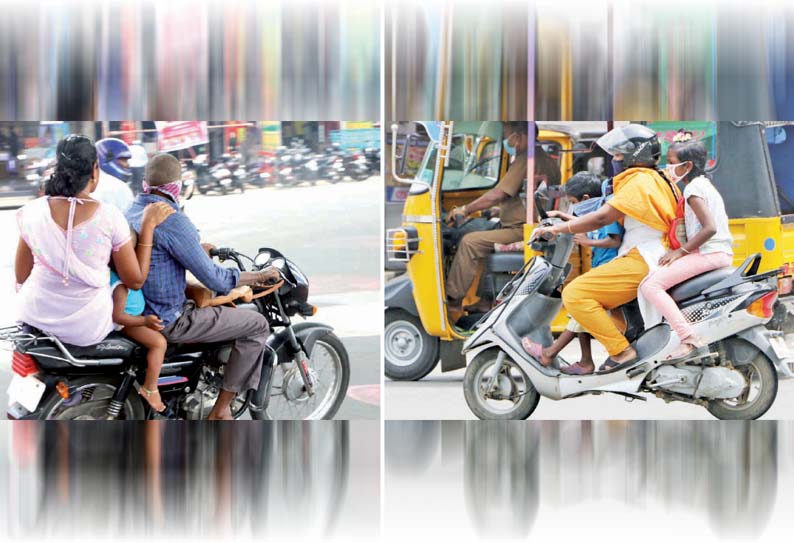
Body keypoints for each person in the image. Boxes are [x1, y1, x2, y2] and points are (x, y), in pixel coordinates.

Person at [125, 153, 279, 420]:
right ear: (178, 186)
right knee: (257, 325)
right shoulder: (172, 218)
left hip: (136, 311)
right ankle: (221, 411)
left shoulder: (131, 211)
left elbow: (161, 260)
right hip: (170, 319)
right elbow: (216, 280)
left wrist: (198, 250)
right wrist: (257, 276)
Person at [534, 124, 678, 372]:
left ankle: (621, 352)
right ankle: (592, 357)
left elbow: (602, 217)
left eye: (619, 155)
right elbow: (598, 209)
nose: (615, 160)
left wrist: (557, 230)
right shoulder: (656, 178)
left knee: (575, 293)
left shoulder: (640, 181)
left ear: (636, 154)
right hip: (648, 253)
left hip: (644, 256)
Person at [15, 134, 173, 347]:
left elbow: (22, 275)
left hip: (34, 315)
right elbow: (135, 281)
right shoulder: (109, 216)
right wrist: (148, 228)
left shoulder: (31, 211)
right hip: (87, 327)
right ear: (94, 170)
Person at [521, 172, 624, 375]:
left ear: (585, 199)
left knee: (579, 308)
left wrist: (589, 242)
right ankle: (585, 361)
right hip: (600, 267)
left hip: (609, 269)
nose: (573, 206)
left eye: (573, 202)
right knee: (579, 310)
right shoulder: (597, 210)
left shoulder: (607, 212)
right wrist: (560, 218)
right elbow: (585, 221)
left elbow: (615, 240)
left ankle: (551, 353)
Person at [639, 140, 733, 360]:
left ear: (688, 165)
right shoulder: (704, 184)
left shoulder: (693, 189)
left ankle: (688, 338)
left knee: (651, 285)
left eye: (672, 163)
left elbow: (709, 228)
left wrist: (680, 252)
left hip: (710, 253)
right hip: (717, 252)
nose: (668, 168)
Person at [444, 122, 533, 318]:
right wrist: (494, 211)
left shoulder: (526, 160)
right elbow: (519, 199)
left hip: (522, 230)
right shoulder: (531, 159)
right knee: (481, 234)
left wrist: (466, 209)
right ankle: (486, 300)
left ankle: (453, 302)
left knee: (469, 242)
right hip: (519, 224)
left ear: (519, 136)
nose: (507, 140)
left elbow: (497, 194)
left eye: (508, 135)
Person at [110, 239, 169, 413]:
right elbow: (119, 316)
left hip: (133, 317)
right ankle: (150, 388)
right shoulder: (120, 285)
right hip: (127, 322)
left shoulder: (112, 274)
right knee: (159, 343)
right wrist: (144, 321)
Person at [93, 137, 135, 213]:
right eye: (123, 160)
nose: (127, 165)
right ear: (107, 159)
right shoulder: (118, 187)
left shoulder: (89, 185)